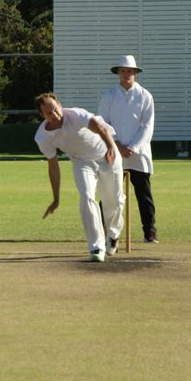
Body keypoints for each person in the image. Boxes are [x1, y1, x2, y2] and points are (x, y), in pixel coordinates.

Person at [34, 92, 125, 262]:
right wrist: (56, 199)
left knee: (113, 200)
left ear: (59, 105)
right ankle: (96, 247)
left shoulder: (75, 114)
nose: (55, 115)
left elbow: (101, 128)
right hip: (82, 163)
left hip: (106, 154)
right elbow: (53, 166)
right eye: (49, 113)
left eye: (55, 110)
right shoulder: (42, 136)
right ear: (42, 115)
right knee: (86, 197)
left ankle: (112, 235)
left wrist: (111, 146)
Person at [99, 54, 158, 243]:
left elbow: (148, 126)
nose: (126, 74)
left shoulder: (145, 96)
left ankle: (150, 231)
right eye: (123, 71)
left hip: (138, 153)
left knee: (144, 194)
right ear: (118, 73)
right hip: (114, 151)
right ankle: (102, 229)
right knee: (110, 193)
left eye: (129, 71)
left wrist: (132, 147)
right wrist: (117, 144)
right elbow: (102, 123)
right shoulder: (109, 96)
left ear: (135, 73)